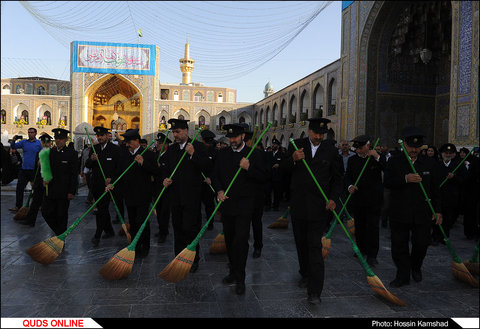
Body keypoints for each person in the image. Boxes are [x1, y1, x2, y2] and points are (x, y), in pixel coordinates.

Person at [280, 118, 344, 305]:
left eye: (321, 134)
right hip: (299, 205)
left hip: (319, 208)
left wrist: (333, 198)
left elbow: (338, 179)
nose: (318, 137)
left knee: (315, 247)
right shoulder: (296, 146)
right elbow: (281, 170)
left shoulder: (331, 151)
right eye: (315, 133)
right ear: (308, 131)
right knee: (301, 244)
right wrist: (292, 160)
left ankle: (315, 291)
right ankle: (305, 273)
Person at [383, 126, 442, 287]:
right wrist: (405, 179)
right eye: (411, 147)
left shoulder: (429, 163)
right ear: (405, 145)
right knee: (399, 245)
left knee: (422, 243)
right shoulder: (395, 161)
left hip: (422, 213)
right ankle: (402, 274)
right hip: (399, 212)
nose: (414, 150)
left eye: (417, 147)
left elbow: (435, 189)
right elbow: (387, 182)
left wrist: (437, 210)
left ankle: (415, 266)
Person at [212, 123, 268, 294]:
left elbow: (264, 177)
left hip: (245, 205)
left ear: (243, 136)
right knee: (229, 240)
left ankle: (241, 278)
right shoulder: (222, 154)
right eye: (230, 138)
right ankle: (233, 272)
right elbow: (215, 175)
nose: (232, 141)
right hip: (227, 204)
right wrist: (219, 190)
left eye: (235, 137)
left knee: (241, 240)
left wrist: (249, 168)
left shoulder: (255, 154)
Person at [162, 119, 212, 272]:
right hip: (175, 196)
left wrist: (193, 155)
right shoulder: (171, 149)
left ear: (186, 131)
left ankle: (193, 258)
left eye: (177, 132)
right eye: (173, 132)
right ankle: (179, 257)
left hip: (192, 197)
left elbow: (206, 166)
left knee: (191, 228)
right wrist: (165, 178)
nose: (175, 135)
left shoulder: (197, 147)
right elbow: (164, 167)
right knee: (178, 228)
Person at [107, 129, 158, 257]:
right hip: (129, 194)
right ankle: (135, 244)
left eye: (129, 142)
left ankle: (145, 245)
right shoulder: (124, 154)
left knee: (142, 222)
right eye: (126, 142)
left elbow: (156, 171)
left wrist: (143, 163)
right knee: (133, 222)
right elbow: (118, 171)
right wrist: (112, 183)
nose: (127, 144)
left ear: (136, 141)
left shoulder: (147, 154)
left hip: (143, 195)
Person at [344, 135, 385, 267]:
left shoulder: (375, 159)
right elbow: (347, 176)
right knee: (360, 226)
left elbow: (388, 169)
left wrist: (377, 157)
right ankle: (362, 249)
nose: (360, 151)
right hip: (358, 199)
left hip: (373, 200)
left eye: (363, 148)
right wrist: (350, 186)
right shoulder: (352, 160)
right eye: (358, 149)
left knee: (372, 227)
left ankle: (372, 254)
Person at [85, 126, 121, 247]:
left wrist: (112, 178)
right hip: (96, 185)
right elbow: (87, 165)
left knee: (102, 209)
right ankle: (109, 230)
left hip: (108, 185)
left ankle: (97, 234)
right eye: (98, 136)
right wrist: (92, 159)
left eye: (102, 135)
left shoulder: (115, 149)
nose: (99, 137)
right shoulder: (94, 149)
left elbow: (119, 168)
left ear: (107, 136)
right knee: (102, 209)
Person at [41, 128, 78, 236]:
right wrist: (45, 178)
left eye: (61, 139)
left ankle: (60, 236)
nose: (58, 141)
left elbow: (73, 174)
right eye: (56, 138)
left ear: (66, 139)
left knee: (61, 215)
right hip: (51, 190)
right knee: (45, 212)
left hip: (64, 191)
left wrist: (72, 191)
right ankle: (59, 232)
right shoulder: (51, 152)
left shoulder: (72, 153)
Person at [432, 143, 466, 245]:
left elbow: (464, 180)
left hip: (451, 198)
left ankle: (444, 237)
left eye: (450, 153)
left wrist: (454, 177)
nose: (447, 154)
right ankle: (435, 236)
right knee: (437, 216)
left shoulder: (458, 166)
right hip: (438, 196)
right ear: (441, 154)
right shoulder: (436, 165)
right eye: (445, 153)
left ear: (453, 154)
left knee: (447, 219)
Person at [16, 134, 53, 227]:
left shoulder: (53, 153)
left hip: (49, 182)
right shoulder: (39, 153)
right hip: (39, 181)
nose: (45, 145)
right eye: (43, 143)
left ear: (50, 143)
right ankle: (30, 220)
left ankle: (52, 223)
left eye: (47, 143)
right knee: (35, 202)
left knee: (47, 204)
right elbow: (35, 168)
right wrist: (33, 180)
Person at [9, 128, 43, 212]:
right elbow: (13, 147)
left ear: (35, 133)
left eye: (32, 132)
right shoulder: (24, 142)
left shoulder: (39, 143)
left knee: (37, 189)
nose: (30, 134)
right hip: (24, 169)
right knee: (19, 188)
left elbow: (43, 154)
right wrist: (13, 140)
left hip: (34, 170)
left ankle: (38, 205)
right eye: (29, 132)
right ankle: (18, 206)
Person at [153, 132, 172, 243]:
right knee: (159, 210)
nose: (157, 145)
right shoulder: (157, 155)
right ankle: (161, 229)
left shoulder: (169, 155)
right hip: (156, 187)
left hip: (166, 188)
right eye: (157, 143)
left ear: (165, 144)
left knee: (165, 211)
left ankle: (163, 232)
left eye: (160, 143)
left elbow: (169, 170)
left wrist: (160, 168)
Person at [199, 129, 217, 231]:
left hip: (209, 183)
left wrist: (210, 178)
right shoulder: (200, 151)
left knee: (209, 205)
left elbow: (216, 168)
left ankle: (210, 223)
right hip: (199, 182)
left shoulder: (215, 152)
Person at [267, 137, 284, 211]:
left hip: (277, 177)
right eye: (273, 144)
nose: (273, 145)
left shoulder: (281, 154)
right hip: (269, 176)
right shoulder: (269, 154)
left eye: (275, 144)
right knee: (268, 191)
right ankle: (268, 205)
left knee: (277, 192)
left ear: (278, 146)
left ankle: (276, 206)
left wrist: (279, 165)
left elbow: (284, 164)